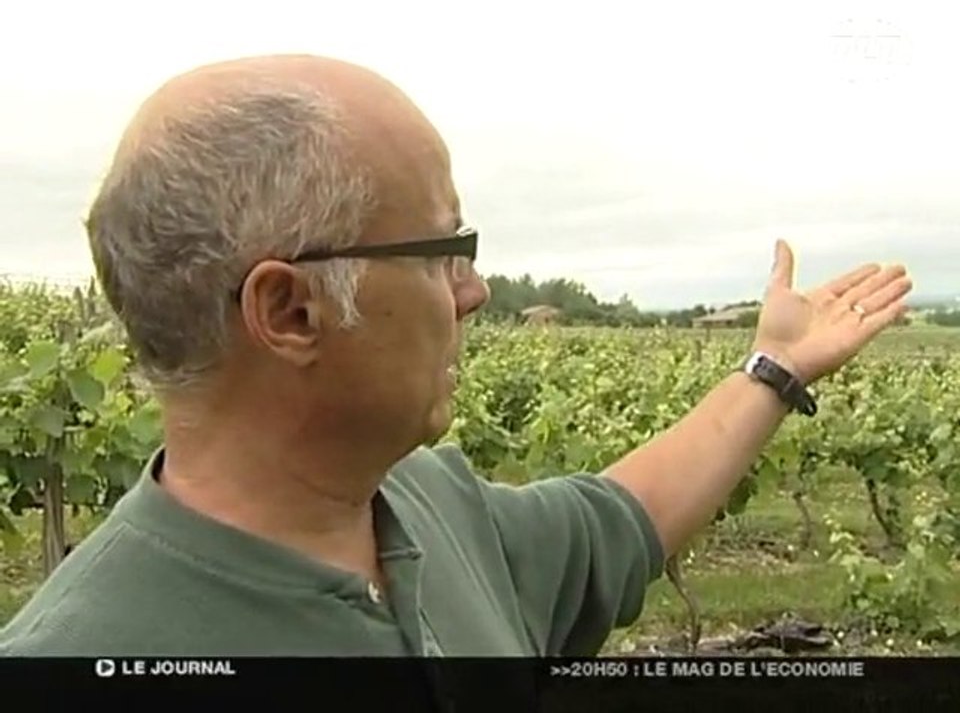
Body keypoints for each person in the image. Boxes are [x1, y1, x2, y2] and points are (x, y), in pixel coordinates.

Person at [0, 54, 911, 658]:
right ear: (290, 310)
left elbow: (616, 523)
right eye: (440, 252)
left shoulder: (432, 511)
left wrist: (773, 369)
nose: (472, 292)